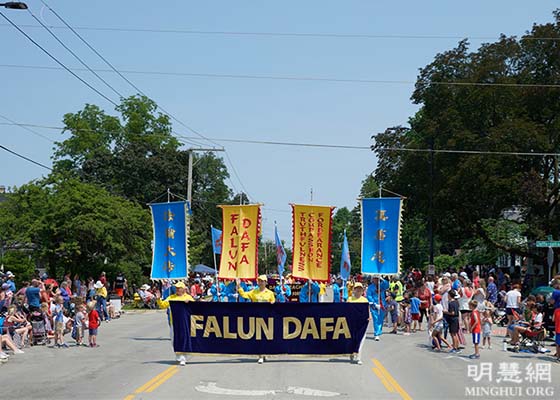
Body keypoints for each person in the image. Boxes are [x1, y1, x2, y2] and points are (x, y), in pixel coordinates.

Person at [237, 275, 275, 364]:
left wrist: (273, 302)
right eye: (259, 281)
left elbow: (273, 303)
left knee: (266, 337)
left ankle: (264, 354)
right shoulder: (254, 292)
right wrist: (239, 286)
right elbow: (244, 295)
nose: (261, 283)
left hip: (267, 318)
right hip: (256, 317)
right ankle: (260, 355)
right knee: (259, 337)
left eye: (263, 281)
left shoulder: (270, 293)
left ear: (266, 282)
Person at [156, 281, 194, 366]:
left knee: (183, 339)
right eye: (176, 288)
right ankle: (178, 355)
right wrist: (158, 299)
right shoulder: (171, 297)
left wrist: (190, 303)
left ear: (183, 289)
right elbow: (163, 305)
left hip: (185, 322)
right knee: (174, 340)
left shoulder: (188, 297)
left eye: (179, 288)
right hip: (174, 322)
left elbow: (194, 308)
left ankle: (183, 357)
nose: (177, 289)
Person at [347, 282, 370, 365]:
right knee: (353, 339)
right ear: (354, 290)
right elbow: (346, 310)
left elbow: (367, 310)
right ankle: (351, 353)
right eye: (357, 289)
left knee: (361, 340)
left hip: (362, 323)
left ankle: (359, 357)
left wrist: (369, 316)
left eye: (360, 289)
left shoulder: (365, 300)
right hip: (352, 322)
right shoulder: (350, 299)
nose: (359, 291)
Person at [366, 276, 389, 341]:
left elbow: (387, 285)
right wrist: (374, 303)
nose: (376, 280)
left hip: (382, 305)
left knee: (381, 319)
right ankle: (376, 334)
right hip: (374, 305)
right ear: (372, 279)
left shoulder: (382, 285)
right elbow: (369, 296)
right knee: (376, 319)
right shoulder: (370, 287)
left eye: (377, 279)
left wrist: (382, 279)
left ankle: (379, 331)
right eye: (375, 279)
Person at [550, 279, 560, 362]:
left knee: (558, 332)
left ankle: (558, 354)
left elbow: (552, 302)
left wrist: (550, 299)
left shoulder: (556, 292)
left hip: (558, 311)